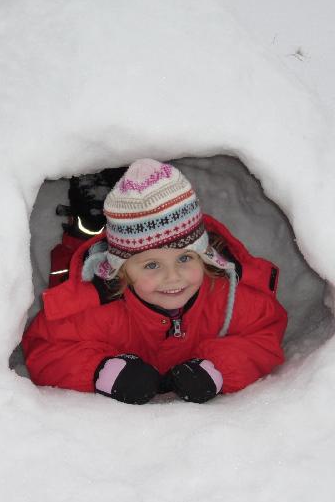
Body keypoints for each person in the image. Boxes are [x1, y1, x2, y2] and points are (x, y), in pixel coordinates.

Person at [21, 158, 287, 404]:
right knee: (72, 258)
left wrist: (218, 368)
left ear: (204, 255)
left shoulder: (226, 295)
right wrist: (103, 371)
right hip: (102, 265)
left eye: (185, 258)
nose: (173, 276)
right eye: (151, 265)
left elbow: (265, 334)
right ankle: (91, 209)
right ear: (122, 271)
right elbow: (44, 349)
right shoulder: (99, 309)